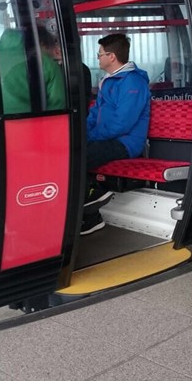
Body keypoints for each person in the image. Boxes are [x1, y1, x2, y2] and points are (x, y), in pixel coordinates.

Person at [82, 32, 150, 234]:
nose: (98, 58)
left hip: (126, 143)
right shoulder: (109, 80)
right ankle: (90, 213)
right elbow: (94, 115)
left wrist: (91, 137)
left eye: (100, 54)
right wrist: (82, 135)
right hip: (107, 140)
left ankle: (92, 198)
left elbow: (123, 123)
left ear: (112, 56)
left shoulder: (133, 82)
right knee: (71, 151)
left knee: (79, 157)